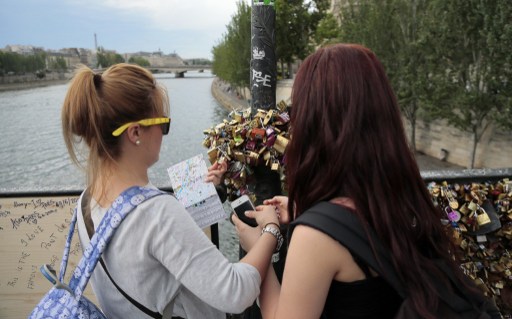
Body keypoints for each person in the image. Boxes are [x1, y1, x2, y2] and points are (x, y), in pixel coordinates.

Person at [232, 44, 501, 318]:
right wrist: (309, 213)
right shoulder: (405, 199)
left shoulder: (315, 237)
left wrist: (261, 249)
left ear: (312, 123)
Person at [61, 63, 282, 319]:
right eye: (163, 124)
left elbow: (147, 240)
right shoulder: (157, 213)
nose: (164, 134)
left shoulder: (87, 200)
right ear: (135, 133)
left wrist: (213, 189)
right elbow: (235, 292)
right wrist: (270, 231)